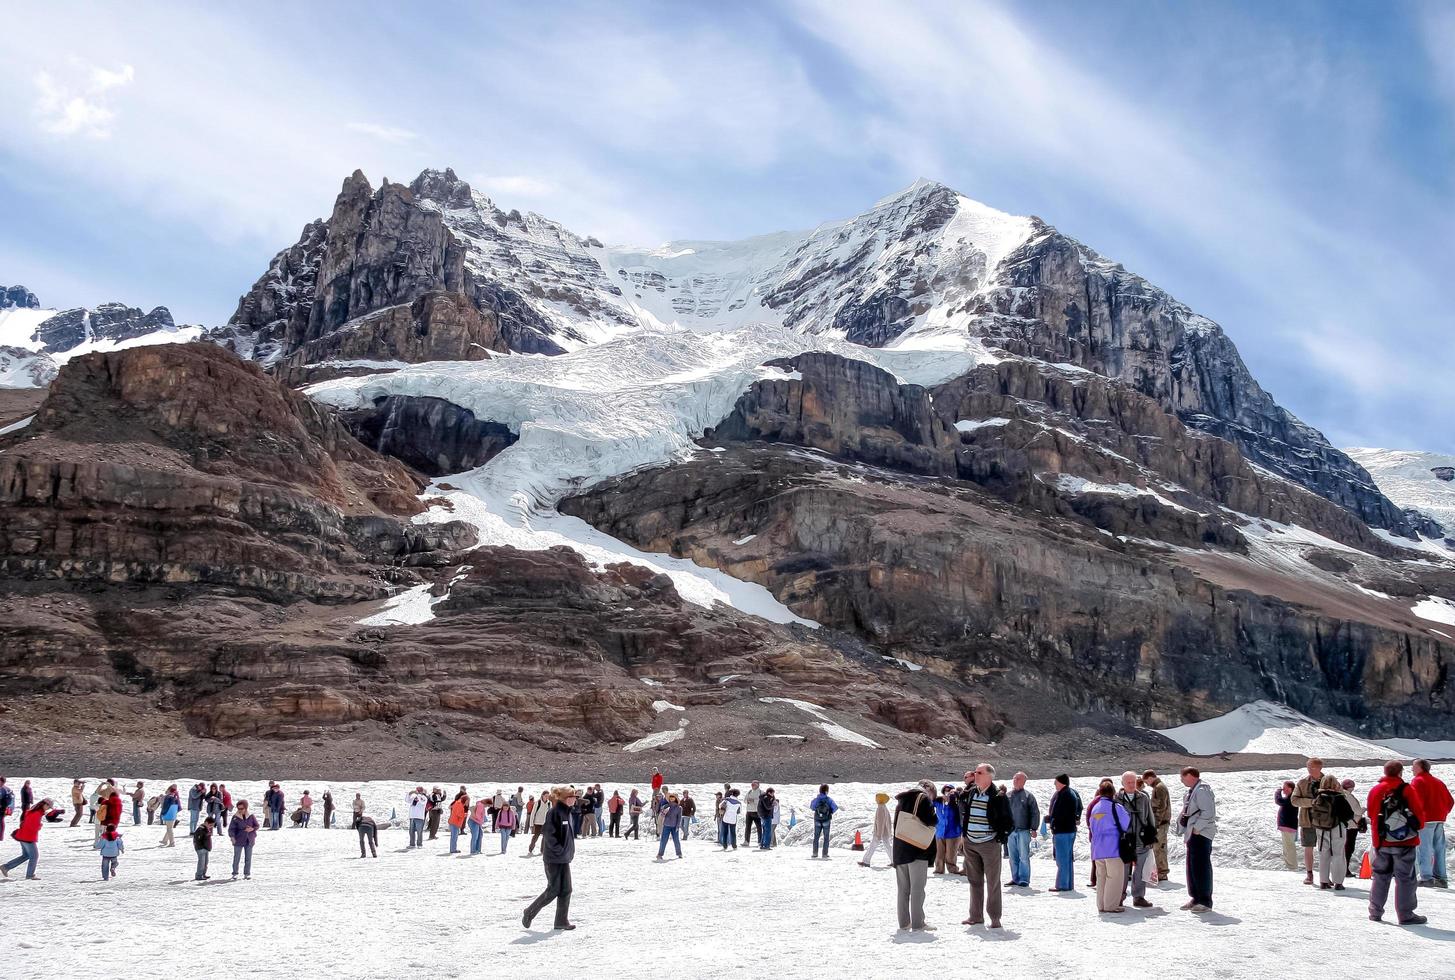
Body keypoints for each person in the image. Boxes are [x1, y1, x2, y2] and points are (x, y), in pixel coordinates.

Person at [1367, 760, 1428, 923]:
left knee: (1380, 876)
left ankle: (1375, 912)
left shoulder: (1376, 790)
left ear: (1385, 772)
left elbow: (1372, 815)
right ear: (1400, 772)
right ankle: (1405, 914)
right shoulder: (1407, 789)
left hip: (1381, 840)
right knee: (1405, 878)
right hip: (1405, 841)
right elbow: (1418, 815)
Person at [959, 763, 1012, 928]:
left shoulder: (998, 796)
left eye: (979, 772)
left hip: (989, 843)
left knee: (993, 882)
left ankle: (995, 918)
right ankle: (975, 916)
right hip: (971, 842)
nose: (976, 774)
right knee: (974, 881)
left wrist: (1000, 836)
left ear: (990, 776)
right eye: (975, 771)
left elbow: (1008, 820)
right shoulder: (971, 793)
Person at [523, 785, 577, 932]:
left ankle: (561, 921)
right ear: (566, 798)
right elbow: (550, 836)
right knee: (553, 890)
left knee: (566, 889)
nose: (575, 798)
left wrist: (567, 852)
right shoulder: (555, 812)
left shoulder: (567, 812)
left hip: (563, 858)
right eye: (573, 796)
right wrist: (559, 850)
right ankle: (529, 912)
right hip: (554, 859)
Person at [893, 780, 939, 932]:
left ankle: (904, 923)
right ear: (929, 789)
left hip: (900, 849)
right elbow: (932, 820)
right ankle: (919, 923)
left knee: (903, 890)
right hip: (917, 849)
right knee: (918, 889)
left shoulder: (902, 799)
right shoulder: (923, 799)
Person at [1292, 758, 1340, 886]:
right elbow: (1294, 800)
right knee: (1309, 847)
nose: (1309, 769)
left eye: (1312, 767)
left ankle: (1325, 876)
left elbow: (1340, 796)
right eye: (1308, 767)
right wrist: (1312, 803)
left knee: (1326, 849)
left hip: (1326, 821)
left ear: (1319, 768)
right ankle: (1309, 874)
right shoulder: (1302, 783)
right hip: (1308, 820)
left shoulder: (1330, 781)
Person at [1178, 766, 1217, 912]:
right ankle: (1196, 897)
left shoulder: (1202, 790)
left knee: (1201, 867)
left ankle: (1205, 900)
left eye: (1183, 776)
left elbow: (1208, 812)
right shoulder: (1193, 790)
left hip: (1201, 834)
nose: (1181, 780)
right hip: (1193, 834)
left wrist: (1197, 828)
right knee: (1192, 866)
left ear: (1190, 776)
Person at [1088, 782, 1130, 913]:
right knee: (1114, 877)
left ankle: (1101, 905)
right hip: (1113, 847)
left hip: (1097, 848)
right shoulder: (1116, 807)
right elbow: (1126, 823)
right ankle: (1110, 905)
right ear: (1113, 793)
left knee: (1101, 878)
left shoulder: (1095, 808)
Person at [1410, 759, 1452, 888]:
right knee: (1439, 848)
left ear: (1421, 768)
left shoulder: (1418, 781)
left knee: (1424, 848)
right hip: (1439, 819)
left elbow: (1415, 801)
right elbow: (1450, 800)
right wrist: (1443, 813)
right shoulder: (1438, 782)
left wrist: (1414, 817)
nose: (1412, 769)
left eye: (1414, 767)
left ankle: (1426, 877)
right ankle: (1441, 877)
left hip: (1425, 820)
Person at [1116, 772, 1156, 907]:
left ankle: (1138, 897)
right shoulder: (1116, 799)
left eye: (1133, 782)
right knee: (1123, 871)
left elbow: (1150, 817)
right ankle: (1119, 897)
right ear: (1122, 783)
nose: (1132, 785)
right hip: (1124, 841)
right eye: (1128, 782)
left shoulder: (1144, 798)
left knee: (1140, 870)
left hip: (1141, 840)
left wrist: (1151, 836)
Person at [2, 798, 52, 879]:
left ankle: (6, 867)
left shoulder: (33, 811)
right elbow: (33, 827)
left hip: (23, 836)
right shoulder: (36, 813)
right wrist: (40, 825)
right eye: (48, 807)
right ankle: (30, 875)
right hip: (28, 837)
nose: (48, 809)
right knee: (34, 856)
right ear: (44, 804)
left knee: (26, 855)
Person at [1048, 774, 1082, 892]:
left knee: (1062, 859)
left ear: (1061, 782)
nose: (1054, 784)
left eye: (1056, 782)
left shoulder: (1064, 795)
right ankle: (1068, 884)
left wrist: (1053, 820)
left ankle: (1062, 884)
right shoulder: (1070, 793)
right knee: (1067, 858)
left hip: (1063, 830)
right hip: (1069, 829)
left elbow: (1060, 813)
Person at [1007, 772, 1040, 887]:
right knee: (1012, 857)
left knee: (1024, 856)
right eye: (1014, 778)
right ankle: (1015, 878)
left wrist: (1034, 828)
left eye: (1018, 779)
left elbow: (1034, 813)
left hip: (1024, 830)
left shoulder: (1028, 796)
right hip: (1011, 831)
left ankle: (1024, 879)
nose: (1015, 780)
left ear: (1024, 782)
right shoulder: (1008, 795)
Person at [1142, 769, 1171, 881]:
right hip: (1162, 823)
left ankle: (1162, 873)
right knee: (1159, 848)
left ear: (1150, 778)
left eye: (1146, 781)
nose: (1146, 784)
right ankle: (1161, 872)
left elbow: (1160, 807)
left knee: (1159, 848)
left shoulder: (1159, 788)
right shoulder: (1159, 787)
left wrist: (1156, 825)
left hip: (1161, 824)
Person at [860, 791, 893, 868]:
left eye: (877, 798)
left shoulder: (880, 808)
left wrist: (879, 834)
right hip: (885, 832)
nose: (876, 800)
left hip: (880, 832)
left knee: (872, 846)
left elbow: (880, 822)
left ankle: (866, 861)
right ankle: (894, 861)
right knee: (888, 846)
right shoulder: (884, 806)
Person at [934, 785, 961, 875]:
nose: (947, 792)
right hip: (940, 831)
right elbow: (929, 801)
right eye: (945, 790)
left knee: (951, 854)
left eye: (949, 790)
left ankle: (952, 869)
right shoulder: (938, 801)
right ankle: (939, 869)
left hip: (953, 832)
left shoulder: (956, 803)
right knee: (939, 853)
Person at [1342, 778, 1366, 877]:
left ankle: (1342, 869)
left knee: (1343, 847)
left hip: (1344, 825)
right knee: (1349, 848)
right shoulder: (1349, 796)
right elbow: (1358, 811)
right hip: (1351, 825)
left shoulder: (1341, 795)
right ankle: (1345, 869)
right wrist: (1364, 809)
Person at [229, 800, 259, 880]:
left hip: (249, 839)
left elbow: (257, 825)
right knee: (236, 858)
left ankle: (247, 873)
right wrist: (232, 837)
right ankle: (235, 873)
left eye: (242, 808)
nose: (240, 810)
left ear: (245, 808)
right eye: (238, 808)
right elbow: (231, 829)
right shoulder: (235, 818)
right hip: (238, 840)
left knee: (248, 858)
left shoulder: (251, 816)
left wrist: (252, 829)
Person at [1275, 780, 1299, 870]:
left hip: (1288, 826)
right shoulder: (1290, 798)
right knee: (1287, 846)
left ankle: (1292, 866)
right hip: (1287, 826)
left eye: (1284, 788)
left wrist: (1277, 792)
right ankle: (1289, 865)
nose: (1283, 790)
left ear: (1290, 788)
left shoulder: (1291, 798)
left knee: (1289, 846)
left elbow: (1279, 800)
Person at [809, 784, 837, 859]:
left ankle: (815, 853)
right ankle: (825, 853)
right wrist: (830, 812)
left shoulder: (816, 799)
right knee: (826, 837)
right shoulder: (829, 800)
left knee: (816, 837)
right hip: (826, 820)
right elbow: (835, 808)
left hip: (817, 819)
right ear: (826, 791)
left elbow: (812, 807)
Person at [656, 792, 684, 860]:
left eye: (673, 797)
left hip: (674, 826)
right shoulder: (666, 806)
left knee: (676, 840)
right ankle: (660, 854)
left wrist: (677, 826)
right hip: (666, 825)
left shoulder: (679, 808)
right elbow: (661, 812)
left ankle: (679, 853)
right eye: (670, 797)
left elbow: (679, 818)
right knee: (663, 840)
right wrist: (663, 810)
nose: (671, 798)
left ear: (675, 799)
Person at [528, 789, 552, 854]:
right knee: (536, 836)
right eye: (545, 796)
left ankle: (542, 850)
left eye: (548, 796)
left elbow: (550, 813)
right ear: (542, 795)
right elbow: (533, 813)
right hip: (537, 822)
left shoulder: (549, 803)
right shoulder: (537, 802)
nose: (546, 797)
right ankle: (531, 847)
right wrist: (531, 824)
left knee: (545, 837)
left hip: (546, 823)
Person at [193, 816, 215, 882]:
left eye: (212, 825)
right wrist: (201, 847)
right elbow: (197, 839)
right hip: (201, 848)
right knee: (201, 862)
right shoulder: (200, 829)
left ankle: (203, 874)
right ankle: (199, 875)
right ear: (206, 822)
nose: (211, 827)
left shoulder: (206, 829)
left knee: (205, 862)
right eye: (210, 825)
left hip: (206, 848)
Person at [449, 790, 469, 854]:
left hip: (454, 822)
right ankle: (453, 850)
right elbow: (458, 814)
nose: (468, 802)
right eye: (468, 801)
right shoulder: (459, 804)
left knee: (454, 837)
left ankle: (453, 849)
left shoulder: (459, 803)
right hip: (455, 822)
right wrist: (464, 815)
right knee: (454, 837)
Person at [744, 781, 762, 846]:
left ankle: (760, 841)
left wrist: (753, 800)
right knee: (747, 827)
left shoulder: (761, 792)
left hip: (757, 812)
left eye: (754, 784)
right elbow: (744, 800)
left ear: (758, 785)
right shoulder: (749, 792)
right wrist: (747, 801)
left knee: (759, 827)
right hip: (749, 811)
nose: (752, 785)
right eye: (752, 784)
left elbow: (762, 801)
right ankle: (746, 841)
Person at [0, 777, 11, 842]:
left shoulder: (5, 789)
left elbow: (8, 800)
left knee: (1, 821)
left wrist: (3, 805)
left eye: (2, 782)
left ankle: (1, 836)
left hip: (2, 808)